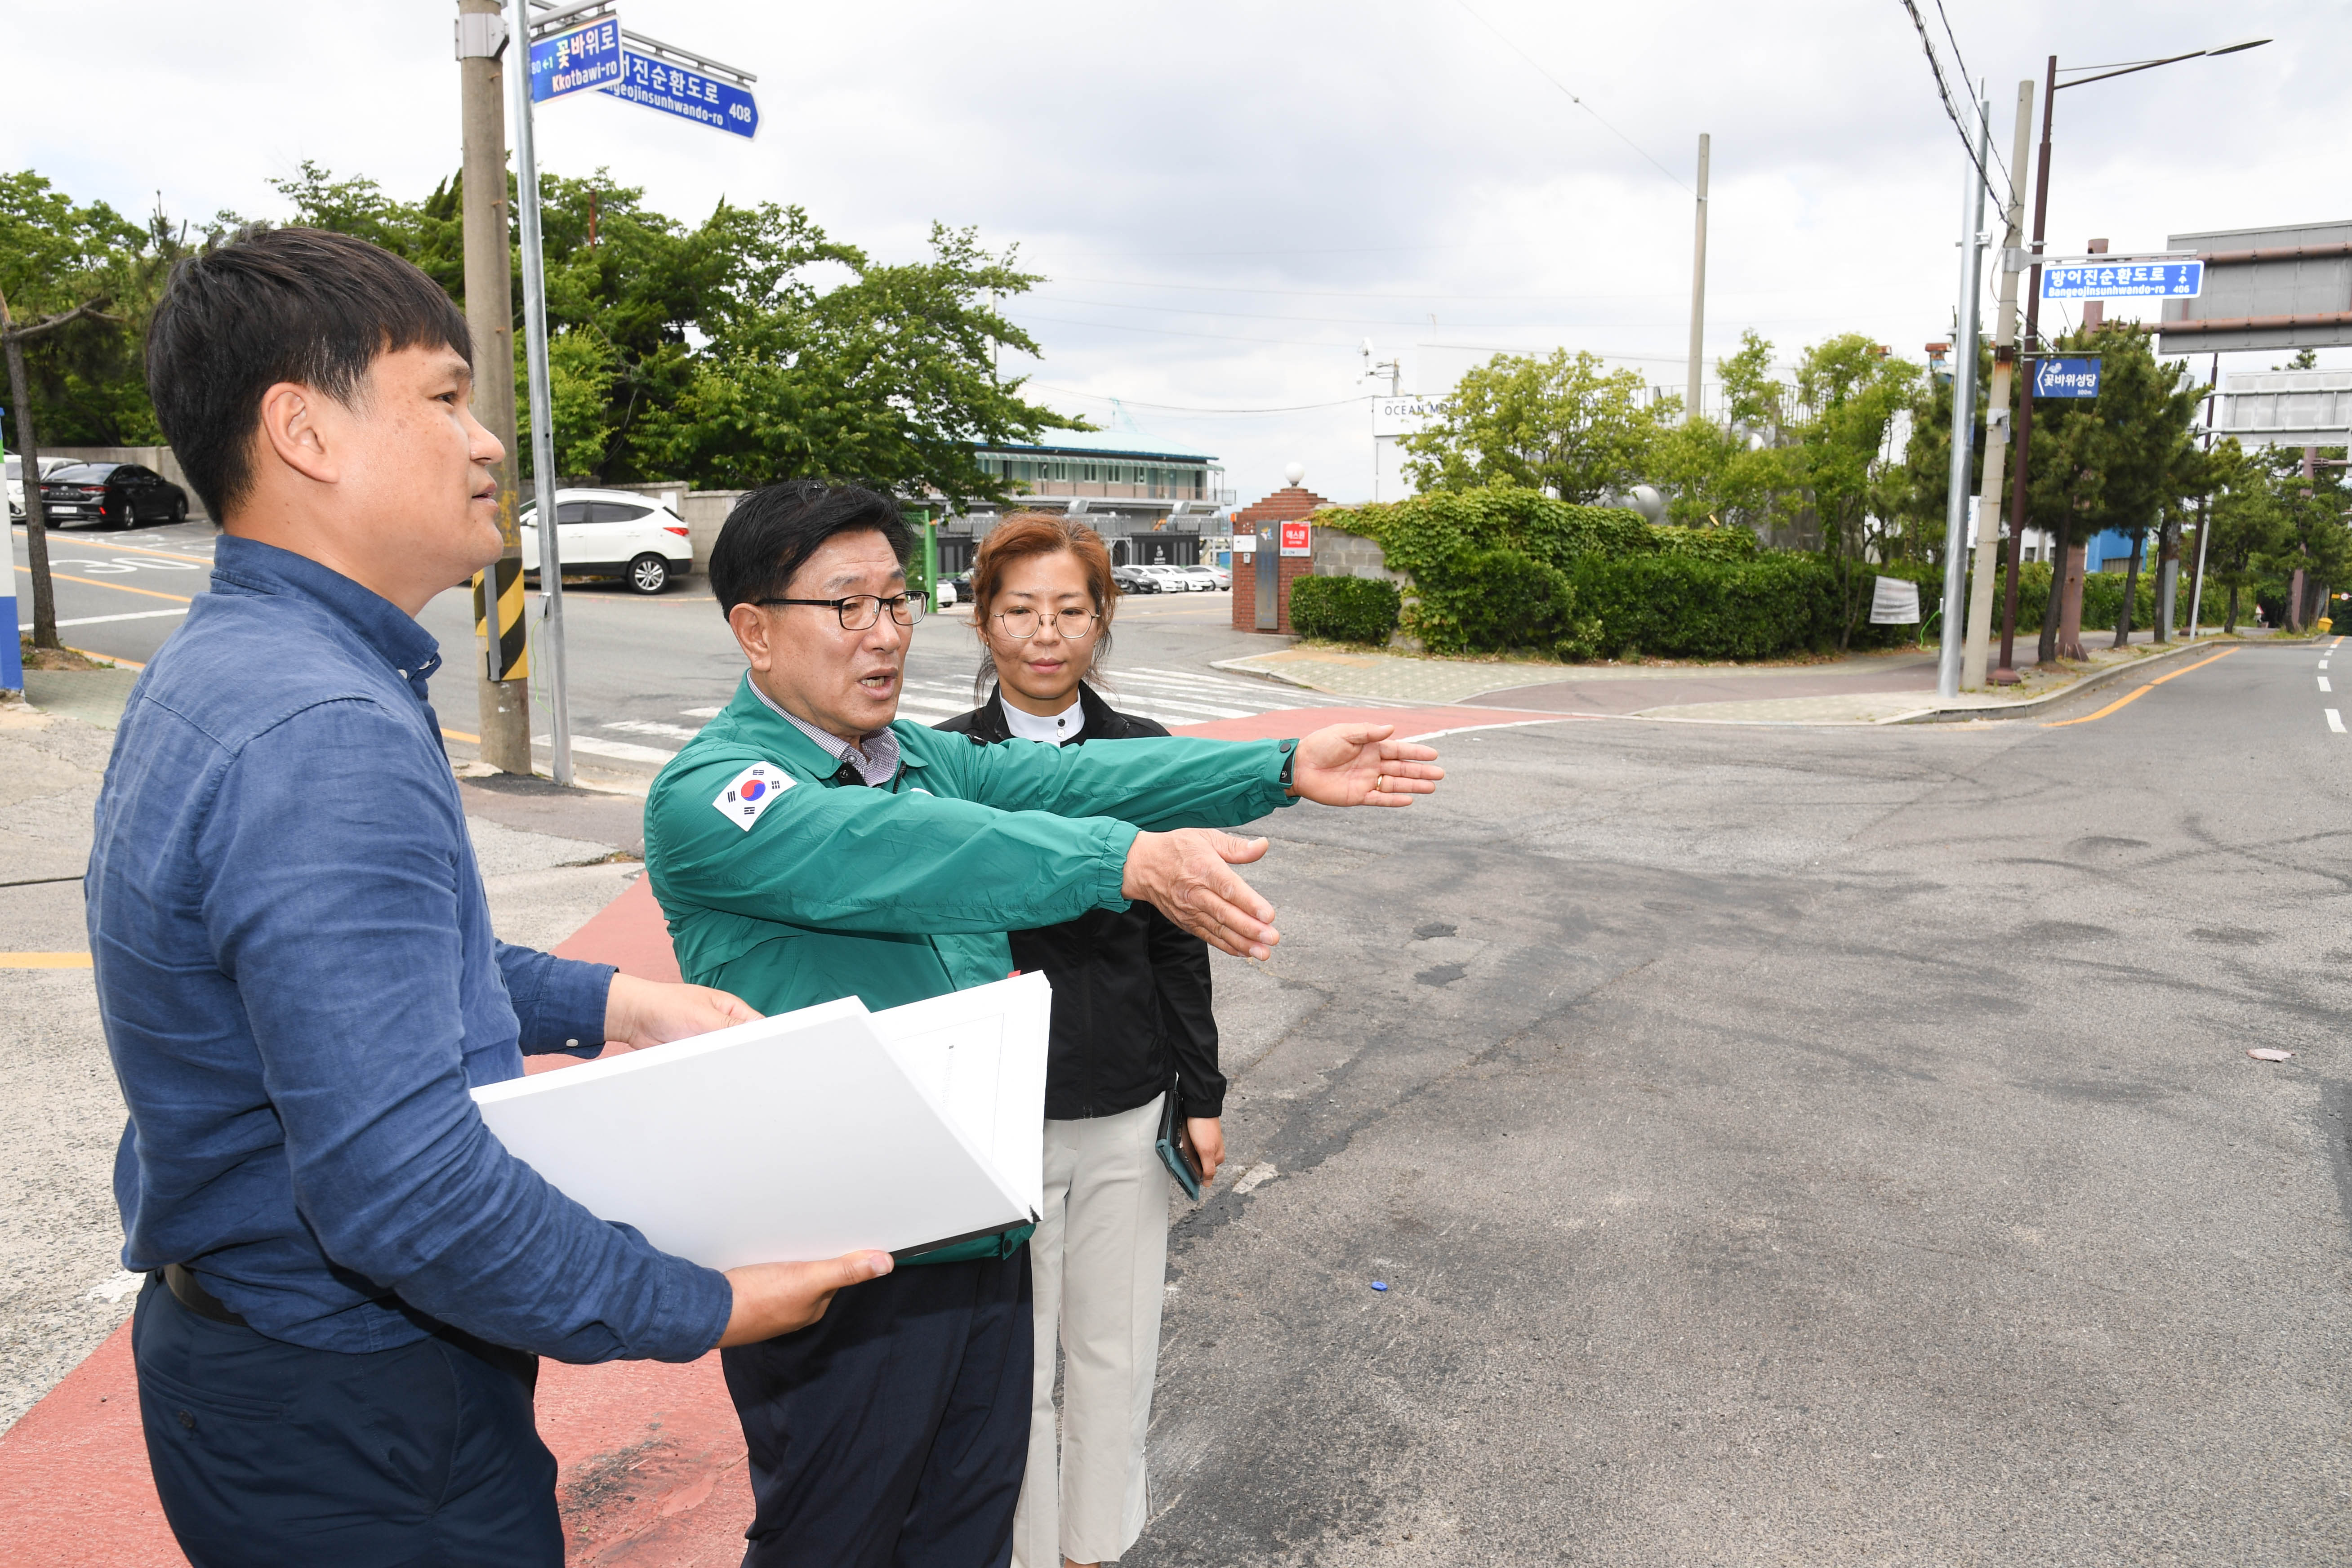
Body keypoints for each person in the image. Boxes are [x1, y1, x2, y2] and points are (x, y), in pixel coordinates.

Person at [95, 227, 891, 1568]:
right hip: (362, 1421)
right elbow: (402, 1191)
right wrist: (698, 1303)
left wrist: (616, 1001)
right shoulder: (322, 727)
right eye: (445, 395)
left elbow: (364, 970)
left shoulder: (238, 662)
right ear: (305, 430)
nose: (486, 443)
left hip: (270, 1373)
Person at [642, 481, 1444, 1567]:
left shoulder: (915, 755)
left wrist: (1278, 766)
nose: (883, 637)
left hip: (978, 1223)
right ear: (753, 628)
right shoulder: (721, 794)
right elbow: (915, 855)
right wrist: (1126, 863)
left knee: (970, 1524)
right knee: (840, 1533)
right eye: (848, 608)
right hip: (842, 1255)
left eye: (896, 602)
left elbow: (1081, 776)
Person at [933, 515, 1223, 1568]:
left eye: (1070, 610)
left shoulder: (1145, 752)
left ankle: (1093, 1550)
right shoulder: (944, 764)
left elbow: (1180, 943)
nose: (1045, 634)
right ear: (984, 620)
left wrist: (1203, 1092)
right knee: (1013, 1369)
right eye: (1020, 610)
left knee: (1115, 1353)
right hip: (994, 1113)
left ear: (1103, 620)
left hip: (1127, 1102)